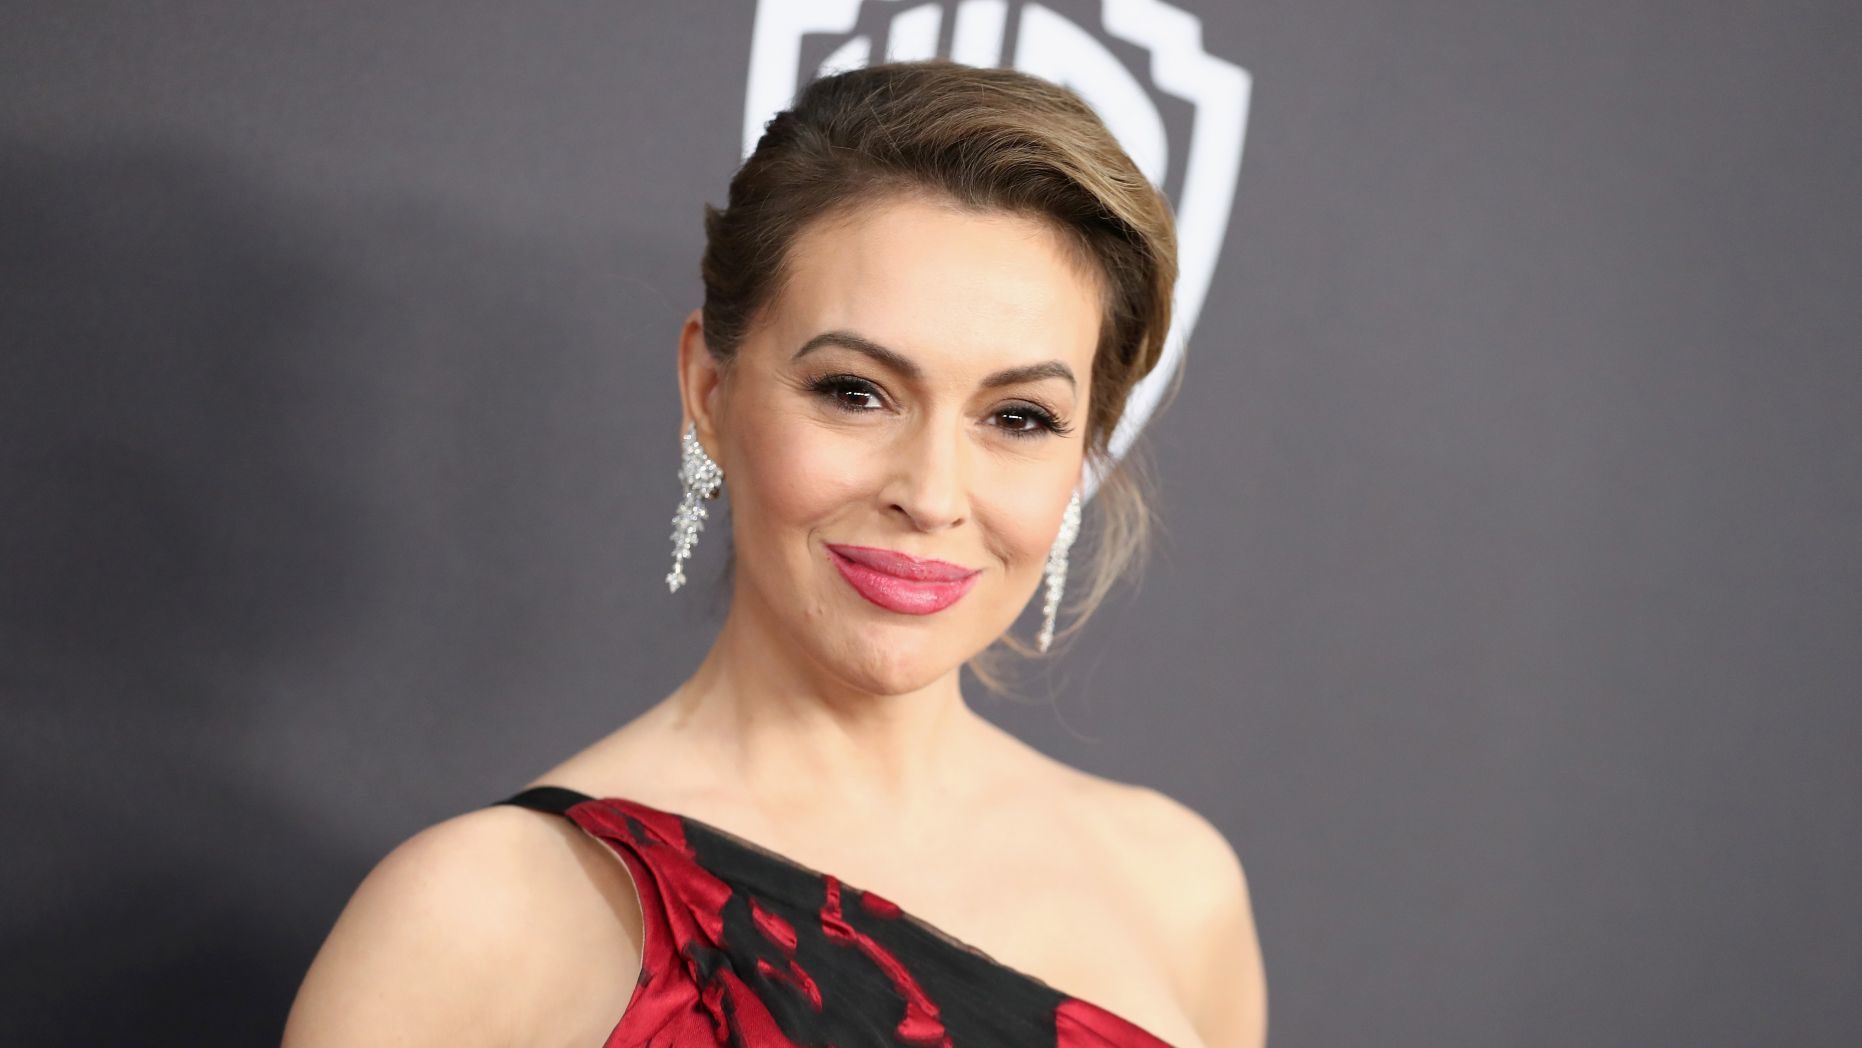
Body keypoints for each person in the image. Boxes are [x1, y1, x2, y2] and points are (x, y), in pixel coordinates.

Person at [282, 59, 1266, 1047]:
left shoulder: (1177, 888)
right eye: (854, 392)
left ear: (1086, 449)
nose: (930, 496)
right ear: (709, 393)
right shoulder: (478, 919)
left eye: (1018, 417)